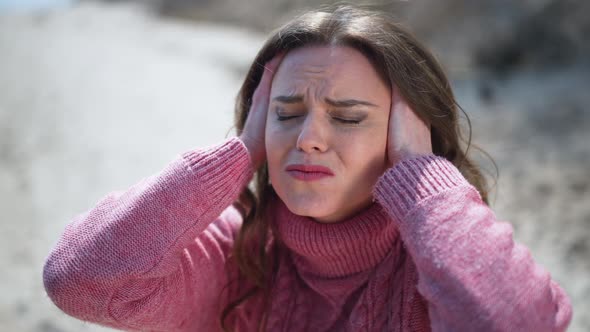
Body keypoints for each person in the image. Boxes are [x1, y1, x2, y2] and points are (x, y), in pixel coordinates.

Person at [43, 5, 573, 332]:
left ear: (408, 138)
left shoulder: (442, 268)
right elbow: (79, 279)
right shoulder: (238, 258)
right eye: (287, 114)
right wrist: (238, 155)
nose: (309, 138)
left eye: (347, 117)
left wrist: (422, 176)